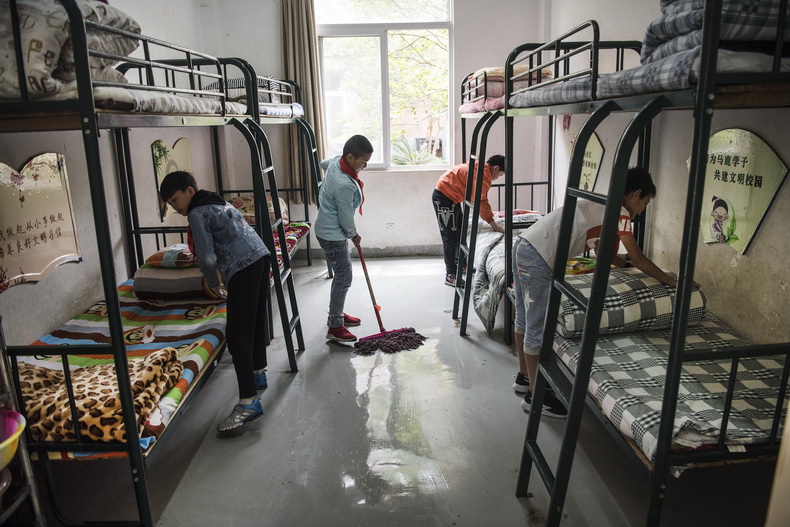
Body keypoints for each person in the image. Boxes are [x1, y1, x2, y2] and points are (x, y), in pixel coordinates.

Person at [513, 166, 681, 418]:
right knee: (536, 327)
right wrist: (673, 282)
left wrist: (626, 266)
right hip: (539, 257)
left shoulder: (602, 203)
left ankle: (524, 377)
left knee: (524, 318)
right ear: (636, 194)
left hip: (525, 244)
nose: (642, 210)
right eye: (645, 203)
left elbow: (605, 253)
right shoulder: (620, 212)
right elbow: (639, 257)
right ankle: (535, 397)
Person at [160, 171, 271, 433]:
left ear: (189, 191)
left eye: (175, 200)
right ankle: (258, 374)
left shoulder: (197, 213)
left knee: (237, 336)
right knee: (255, 320)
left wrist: (212, 282)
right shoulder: (217, 201)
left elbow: (207, 257)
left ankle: (248, 402)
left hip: (242, 267)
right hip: (260, 256)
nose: (175, 208)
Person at [315, 134, 374, 343]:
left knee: (341, 275)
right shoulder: (344, 185)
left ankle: (336, 314)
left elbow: (323, 163)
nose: (365, 166)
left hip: (326, 230)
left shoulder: (335, 163)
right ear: (350, 157)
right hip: (332, 235)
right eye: (363, 161)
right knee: (344, 277)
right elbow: (345, 217)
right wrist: (354, 236)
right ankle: (335, 326)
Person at [432, 155, 505, 286]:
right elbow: (481, 201)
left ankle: (461, 265)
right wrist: (492, 223)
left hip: (451, 197)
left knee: (459, 231)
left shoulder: (480, 169)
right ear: (496, 168)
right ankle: (450, 274)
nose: (498, 177)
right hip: (444, 197)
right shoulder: (482, 176)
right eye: (500, 174)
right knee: (449, 236)